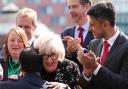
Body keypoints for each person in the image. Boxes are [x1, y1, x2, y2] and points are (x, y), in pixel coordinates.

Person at [77, 1, 128, 89]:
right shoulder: (93, 44)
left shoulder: (126, 46)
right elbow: (82, 85)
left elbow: (124, 84)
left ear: (105, 24)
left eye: (92, 25)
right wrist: (86, 74)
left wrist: (96, 67)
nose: (89, 29)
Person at [61, 0, 94, 72]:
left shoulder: (97, 32)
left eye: (74, 7)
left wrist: (79, 49)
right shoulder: (65, 33)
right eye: (69, 7)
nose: (71, 11)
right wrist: (68, 52)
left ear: (87, 7)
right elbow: (60, 62)